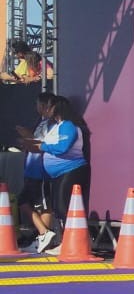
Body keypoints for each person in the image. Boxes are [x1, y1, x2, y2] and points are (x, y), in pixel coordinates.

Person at [17, 95, 89, 254]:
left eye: (50, 107)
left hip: (69, 170)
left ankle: (60, 239)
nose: (47, 110)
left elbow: (62, 147)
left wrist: (41, 146)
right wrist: (33, 144)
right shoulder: (57, 125)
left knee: (61, 207)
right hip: (57, 173)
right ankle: (59, 240)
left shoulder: (68, 126)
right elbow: (47, 144)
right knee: (58, 207)